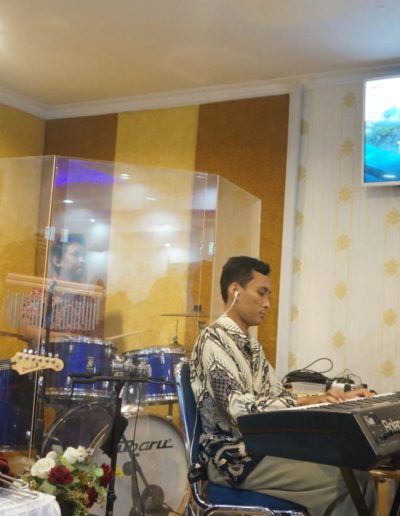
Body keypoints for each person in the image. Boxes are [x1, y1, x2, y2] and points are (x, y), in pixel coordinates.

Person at [190, 256, 376, 516]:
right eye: (261, 293)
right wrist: (304, 401)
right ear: (235, 290)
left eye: (269, 295)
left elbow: (278, 395)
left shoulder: (251, 346)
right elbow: (237, 408)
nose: (267, 303)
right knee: (348, 484)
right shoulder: (213, 340)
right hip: (233, 459)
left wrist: (336, 398)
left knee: (358, 475)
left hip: (261, 449)